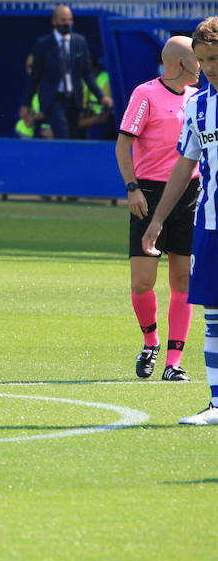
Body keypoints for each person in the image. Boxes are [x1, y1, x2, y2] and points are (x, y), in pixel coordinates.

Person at [142, 16, 218, 426]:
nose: (209, 68)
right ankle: (217, 403)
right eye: (203, 60)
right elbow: (183, 166)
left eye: (215, 59)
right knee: (214, 313)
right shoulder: (198, 105)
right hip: (209, 222)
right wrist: (157, 220)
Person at [117, 36, 200, 382]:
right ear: (181, 63)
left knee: (183, 280)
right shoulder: (146, 94)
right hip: (150, 194)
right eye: (199, 59)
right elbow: (123, 144)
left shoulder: (201, 98)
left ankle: (173, 362)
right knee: (142, 282)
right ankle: (150, 342)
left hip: (191, 193)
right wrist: (133, 188)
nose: (205, 65)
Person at [20, 5, 111, 140]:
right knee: (63, 133)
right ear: (54, 21)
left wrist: (101, 97)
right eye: (63, 20)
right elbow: (35, 77)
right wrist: (26, 104)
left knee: (73, 134)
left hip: (74, 98)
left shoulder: (80, 42)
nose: (67, 24)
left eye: (70, 20)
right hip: (53, 97)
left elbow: (86, 74)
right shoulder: (43, 45)